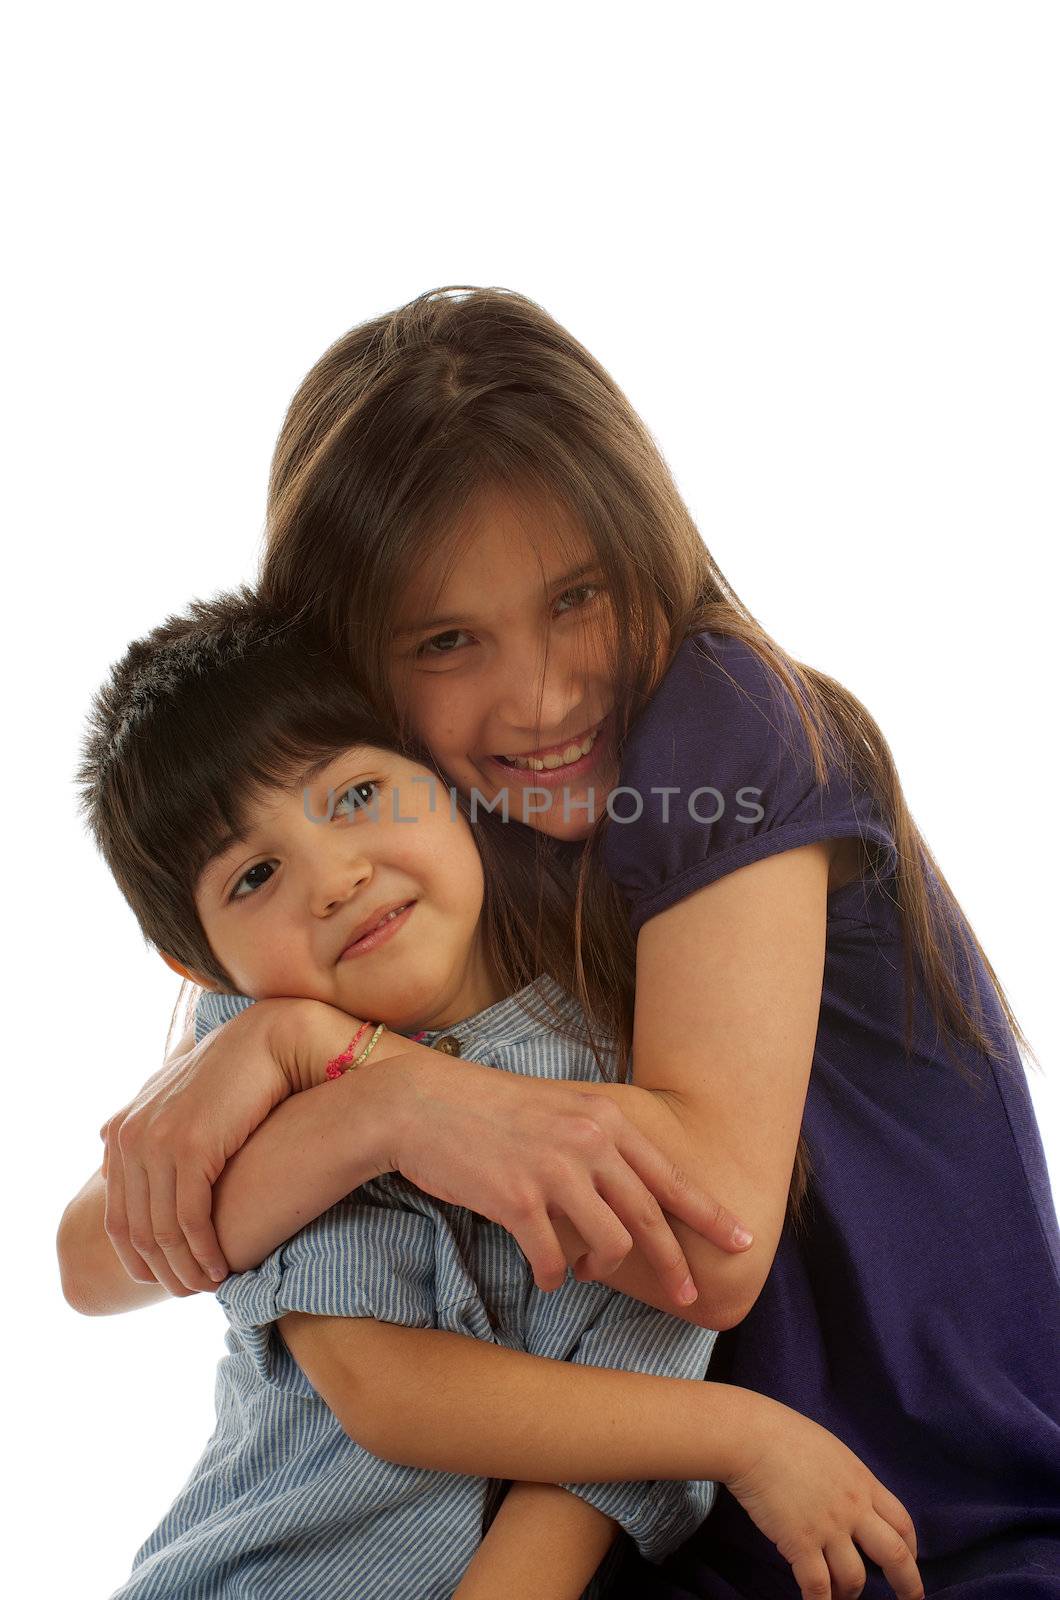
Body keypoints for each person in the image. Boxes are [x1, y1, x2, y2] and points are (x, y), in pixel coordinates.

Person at [63, 288, 1060, 1597]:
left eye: (577, 598)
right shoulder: (373, 873)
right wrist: (347, 1089)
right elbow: (102, 1254)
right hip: (661, 1539)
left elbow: (705, 1247)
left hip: (917, 1517)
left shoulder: (715, 723)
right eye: (447, 641)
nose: (539, 695)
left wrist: (358, 1081)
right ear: (358, 666)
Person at [65, 588, 923, 1600]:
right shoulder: (262, 1077)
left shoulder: (627, 1057)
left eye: (353, 796)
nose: (334, 877)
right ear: (199, 966)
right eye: (253, 877)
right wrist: (748, 1437)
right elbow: (384, 1388)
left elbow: (609, 1435)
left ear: (445, 781)